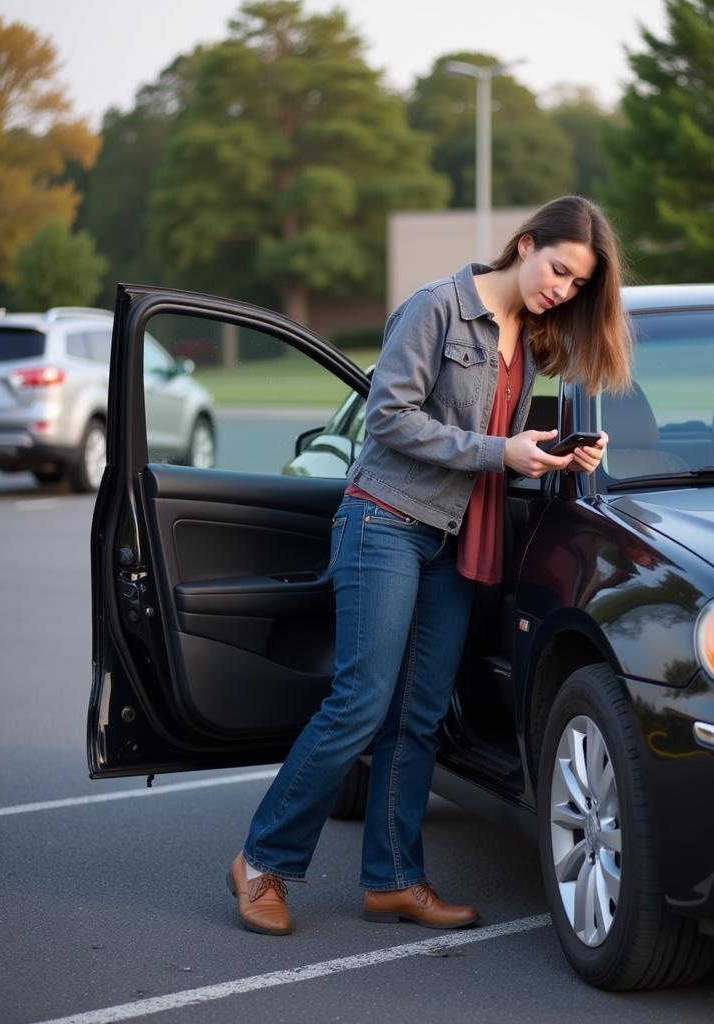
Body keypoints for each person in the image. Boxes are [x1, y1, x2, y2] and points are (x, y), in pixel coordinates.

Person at [227, 194, 633, 935]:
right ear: (527, 243)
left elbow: (500, 448)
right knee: (361, 702)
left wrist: (554, 455)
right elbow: (388, 415)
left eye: (577, 285)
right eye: (560, 270)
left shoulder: (530, 337)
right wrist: (497, 452)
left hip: (455, 537)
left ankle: (393, 880)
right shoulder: (436, 307)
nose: (562, 290)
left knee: (418, 719)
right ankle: (263, 862)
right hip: (384, 520)